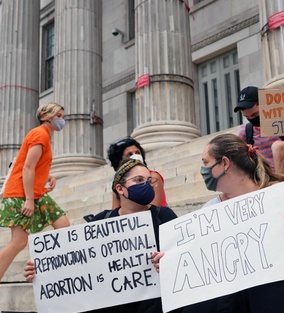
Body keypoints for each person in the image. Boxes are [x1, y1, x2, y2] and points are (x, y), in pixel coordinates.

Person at [151, 133, 284, 313]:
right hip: (233, 297)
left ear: (225, 164)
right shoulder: (209, 212)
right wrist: (172, 264)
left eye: (205, 163)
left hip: (281, 290)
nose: (202, 169)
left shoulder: (279, 200)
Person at [25, 159, 180, 313]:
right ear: (120, 188)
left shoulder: (164, 216)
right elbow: (76, 262)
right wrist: (42, 272)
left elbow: (182, 257)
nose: (146, 185)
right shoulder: (101, 221)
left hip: (154, 305)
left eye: (149, 180)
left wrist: (168, 262)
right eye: (139, 180)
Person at [0, 103, 71, 281]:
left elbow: (34, 165)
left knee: (63, 226)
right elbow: (28, 167)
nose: (62, 119)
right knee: (18, 242)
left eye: (62, 116)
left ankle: (55, 270)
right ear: (46, 117)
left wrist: (48, 176)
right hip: (21, 194)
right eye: (59, 116)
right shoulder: (40, 134)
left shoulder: (44, 135)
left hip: (35, 193)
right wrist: (29, 200)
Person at [235, 86, 284, 182]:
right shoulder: (245, 133)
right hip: (264, 181)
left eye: (255, 115)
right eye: (247, 117)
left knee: (279, 146)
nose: (252, 119)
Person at [107, 137, 168, 209]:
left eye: (137, 152)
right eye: (129, 155)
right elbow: (115, 210)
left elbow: (154, 209)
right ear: (120, 162)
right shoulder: (118, 184)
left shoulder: (153, 177)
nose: (135, 156)